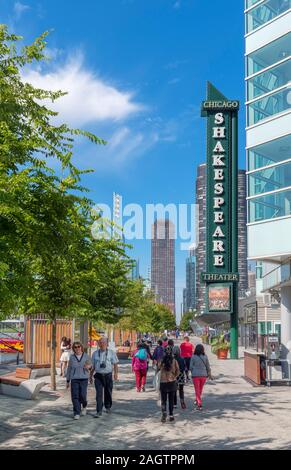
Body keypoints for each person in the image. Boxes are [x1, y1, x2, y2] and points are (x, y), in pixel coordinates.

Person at [90, 336, 119, 418]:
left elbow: (115, 363)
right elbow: (93, 366)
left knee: (108, 392)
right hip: (98, 376)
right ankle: (99, 411)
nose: (102, 344)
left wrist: (116, 374)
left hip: (108, 375)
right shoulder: (95, 353)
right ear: (98, 344)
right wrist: (90, 375)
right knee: (98, 394)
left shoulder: (111, 353)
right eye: (100, 343)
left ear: (107, 344)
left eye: (103, 343)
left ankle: (108, 406)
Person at [66, 342, 91, 420]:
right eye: (75, 347)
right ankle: (76, 412)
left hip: (84, 378)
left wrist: (88, 367)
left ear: (81, 347)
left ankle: (84, 406)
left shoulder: (86, 356)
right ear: (73, 349)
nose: (77, 348)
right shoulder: (72, 357)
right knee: (75, 396)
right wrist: (67, 380)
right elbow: (69, 369)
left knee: (83, 395)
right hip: (74, 379)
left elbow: (91, 366)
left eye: (78, 346)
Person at [159, 345, 179, 423]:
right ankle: (171, 415)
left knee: (163, 400)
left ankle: (164, 413)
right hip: (172, 382)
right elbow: (178, 371)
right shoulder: (174, 361)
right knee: (171, 400)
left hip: (163, 382)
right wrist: (174, 376)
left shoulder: (161, 361)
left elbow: (158, 369)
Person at [189, 343, 213, 410]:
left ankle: (199, 404)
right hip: (203, 375)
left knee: (197, 389)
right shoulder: (205, 356)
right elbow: (208, 366)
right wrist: (209, 373)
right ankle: (197, 399)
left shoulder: (193, 357)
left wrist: (193, 370)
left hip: (195, 375)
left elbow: (190, 367)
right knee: (200, 389)